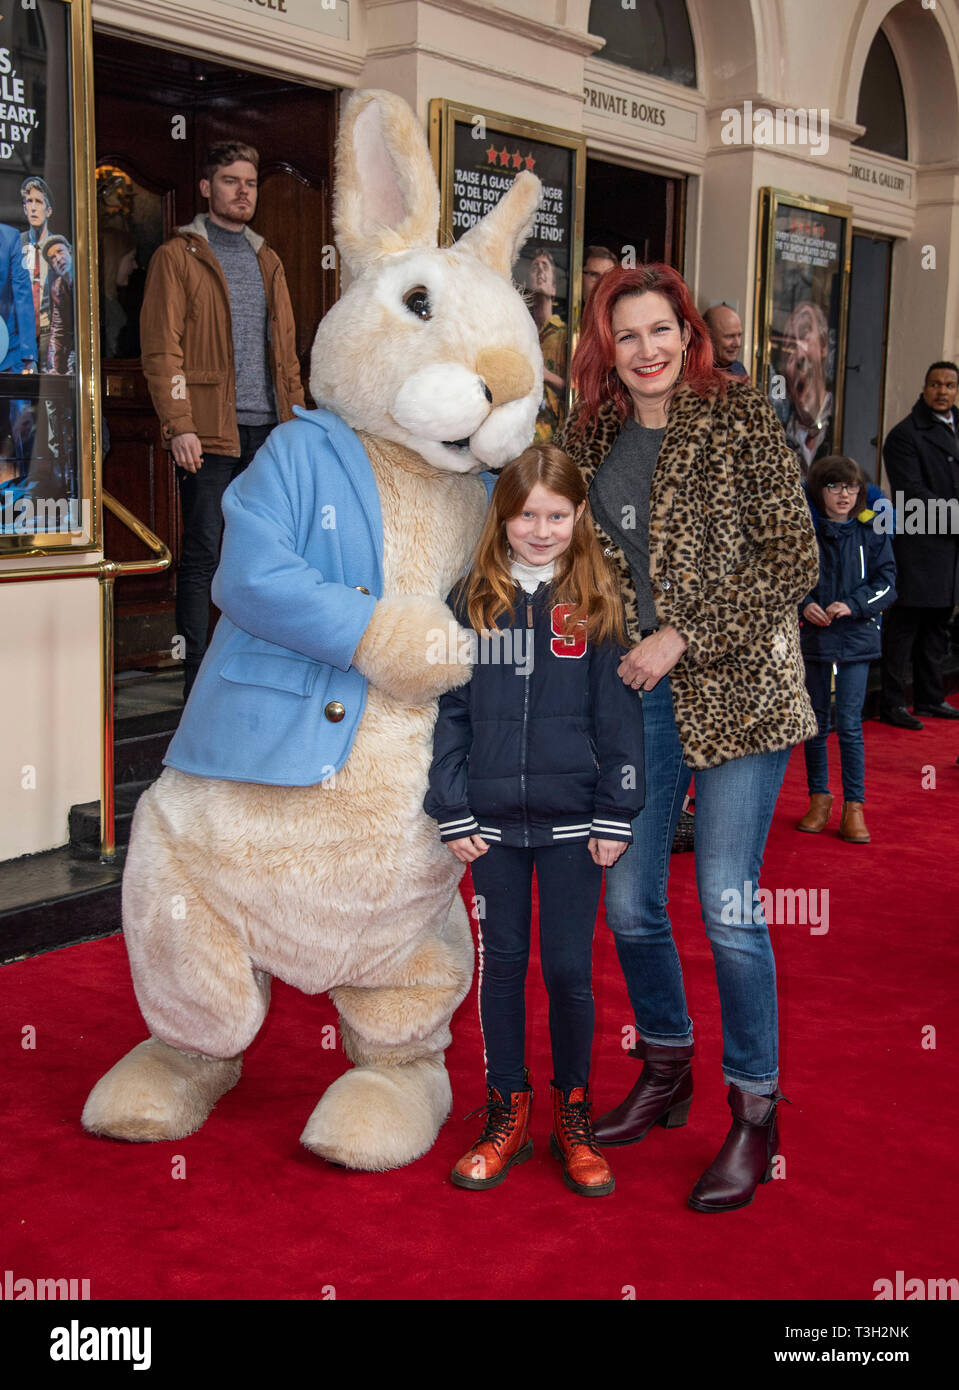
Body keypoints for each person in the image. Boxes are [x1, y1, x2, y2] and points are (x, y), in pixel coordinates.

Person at [557, 263, 819, 1213]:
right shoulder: (587, 430)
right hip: (635, 693)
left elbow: (793, 554)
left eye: (660, 329)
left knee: (727, 908)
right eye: (626, 336)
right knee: (626, 902)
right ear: (605, 348)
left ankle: (754, 1113)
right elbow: (561, 546)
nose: (648, 350)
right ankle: (666, 1069)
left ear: (687, 332)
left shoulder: (740, 417)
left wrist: (684, 632)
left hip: (739, 689)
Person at [425, 444, 645, 1197]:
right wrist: (450, 807)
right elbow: (449, 713)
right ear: (503, 516)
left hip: (575, 827)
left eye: (556, 514)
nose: (540, 529)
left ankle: (572, 1116)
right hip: (488, 827)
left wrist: (617, 810)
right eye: (526, 515)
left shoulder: (599, 597)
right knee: (503, 969)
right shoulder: (471, 600)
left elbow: (621, 719)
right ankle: (506, 1113)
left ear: (578, 516)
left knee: (568, 970)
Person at [140, 140, 305, 699]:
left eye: (251, 183)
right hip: (209, 431)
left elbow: (286, 355)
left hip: (268, 433)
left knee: (266, 552)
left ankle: (252, 668)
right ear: (207, 187)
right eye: (231, 181)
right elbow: (163, 350)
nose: (243, 192)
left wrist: (298, 421)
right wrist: (179, 423)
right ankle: (197, 680)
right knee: (205, 552)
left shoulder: (269, 258)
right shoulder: (177, 256)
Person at [797, 456, 897, 843]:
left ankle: (854, 807)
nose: (844, 495)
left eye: (851, 488)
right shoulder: (806, 530)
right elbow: (787, 576)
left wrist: (853, 605)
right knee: (817, 725)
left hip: (856, 638)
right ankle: (818, 799)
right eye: (834, 486)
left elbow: (888, 582)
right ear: (819, 490)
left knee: (851, 726)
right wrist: (805, 601)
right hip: (816, 638)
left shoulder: (871, 530)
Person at [879, 361, 959, 729]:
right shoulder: (905, 435)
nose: (942, 391)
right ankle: (892, 702)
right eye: (935, 384)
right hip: (920, 543)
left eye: (950, 385)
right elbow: (912, 494)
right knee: (905, 626)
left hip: (951, 547)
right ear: (924, 389)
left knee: (938, 624)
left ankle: (930, 697)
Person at [780, 300, 832, 476]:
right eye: (789, 348)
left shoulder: (845, 419)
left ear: (824, 345)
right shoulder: (779, 434)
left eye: (804, 338)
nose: (799, 355)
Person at [527, 247, 567, 443]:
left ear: (553, 289)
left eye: (545, 267)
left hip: (551, 438)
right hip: (520, 437)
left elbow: (575, 390)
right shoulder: (521, 331)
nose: (540, 271)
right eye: (535, 267)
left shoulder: (565, 334)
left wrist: (543, 374)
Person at [20, 177, 54, 366]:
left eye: (38, 202)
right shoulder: (15, 246)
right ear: (24, 208)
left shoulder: (61, 249)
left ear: (48, 210)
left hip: (50, 335)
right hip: (21, 334)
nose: (33, 207)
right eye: (29, 202)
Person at [42, 236, 74, 376]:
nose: (58, 259)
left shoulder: (85, 279)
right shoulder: (57, 288)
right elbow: (58, 330)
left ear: (71, 252)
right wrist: (54, 367)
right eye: (52, 258)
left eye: (60, 252)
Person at [703, 302, 748, 378]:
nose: (738, 344)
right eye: (730, 336)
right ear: (708, 337)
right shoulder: (693, 373)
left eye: (739, 335)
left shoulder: (739, 369)